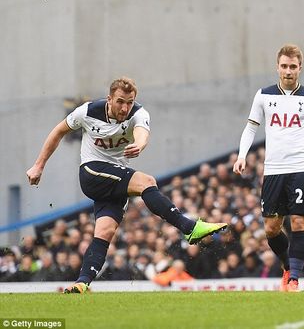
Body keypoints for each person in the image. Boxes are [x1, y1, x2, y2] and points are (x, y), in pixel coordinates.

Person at [26, 77, 227, 293]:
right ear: (109, 98)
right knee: (147, 182)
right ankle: (189, 227)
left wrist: (139, 144)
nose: (125, 107)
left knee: (105, 232)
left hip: (115, 181)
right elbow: (58, 131)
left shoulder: (139, 113)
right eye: (120, 101)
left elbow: (142, 133)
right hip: (92, 173)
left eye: (129, 102)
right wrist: (38, 165)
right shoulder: (87, 111)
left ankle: (82, 282)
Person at [232, 44, 304, 292]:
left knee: (299, 223)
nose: (288, 71)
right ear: (277, 67)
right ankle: (287, 266)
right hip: (273, 170)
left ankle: (294, 280)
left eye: (293, 66)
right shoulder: (264, 95)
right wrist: (242, 155)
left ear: (300, 68)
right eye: (284, 66)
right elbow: (251, 127)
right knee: (271, 229)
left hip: (300, 167)